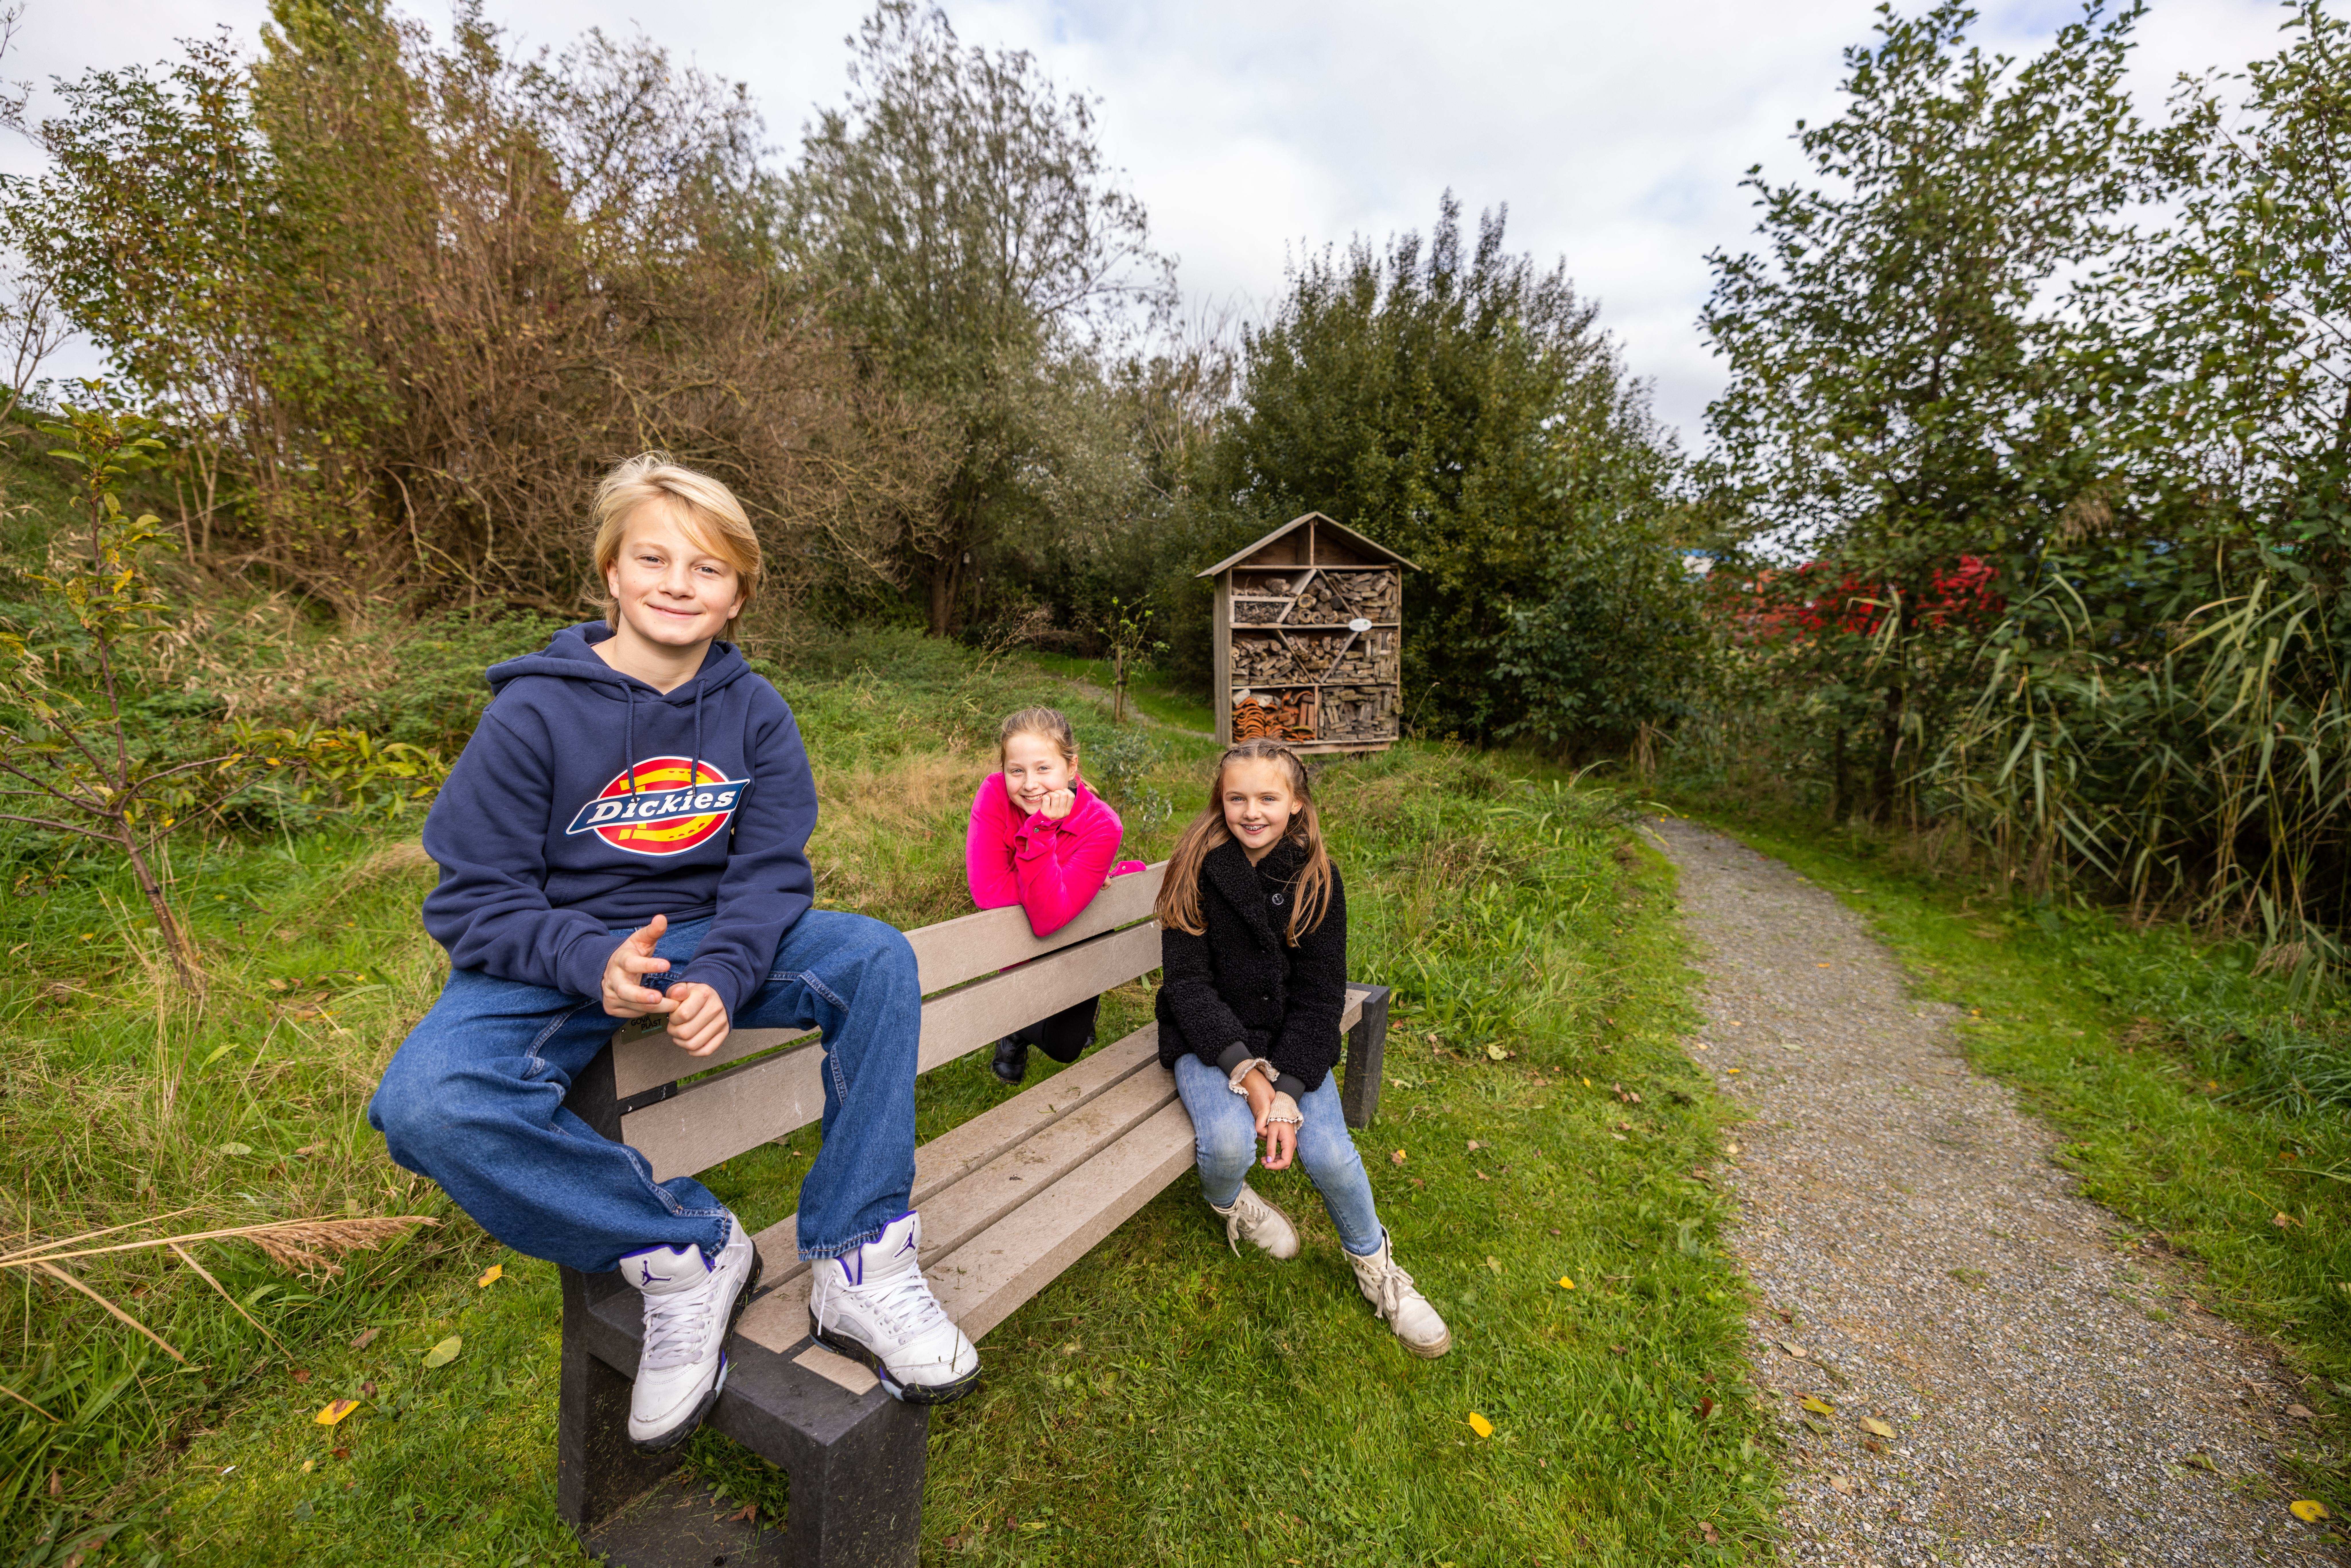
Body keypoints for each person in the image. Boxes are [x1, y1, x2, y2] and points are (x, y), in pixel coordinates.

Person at [368, 453, 979, 1451]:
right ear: (610, 571)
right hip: (547, 951)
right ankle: (683, 1247)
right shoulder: (531, 712)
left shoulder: (755, 713)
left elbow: (771, 873)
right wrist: (585, 960)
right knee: (429, 1103)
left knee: (874, 958)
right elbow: (474, 894)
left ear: (738, 593)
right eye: (653, 558)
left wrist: (726, 972)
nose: (677, 584)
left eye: (707, 568)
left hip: (707, 936)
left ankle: (860, 1256)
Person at [1152, 739, 1450, 1357]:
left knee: (1333, 1157)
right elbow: (1187, 987)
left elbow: (1320, 998)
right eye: (1237, 797)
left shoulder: (1316, 877)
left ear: (1295, 803)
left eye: (1268, 797)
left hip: (1292, 1040)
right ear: (1220, 800)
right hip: (1210, 1040)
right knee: (1229, 1143)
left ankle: (1378, 1269)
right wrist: (1248, 1075)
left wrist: (1287, 1091)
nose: (1251, 810)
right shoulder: (1195, 867)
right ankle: (1230, 1199)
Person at [964, 707, 1141, 1083]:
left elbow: (1049, 919)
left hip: (1076, 941)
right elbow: (988, 892)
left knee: (1065, 1048)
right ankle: (1014, 1030)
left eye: (1044, 769)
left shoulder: (1102, 825)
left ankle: (1027, 1025)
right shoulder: (994, 793)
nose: (1030, 784)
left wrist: (1047, 852)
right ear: (1004, 770)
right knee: (1025, 1004)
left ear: (1071, 767)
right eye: (1017, 770)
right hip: (1015, 945)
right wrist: (1052, 854)